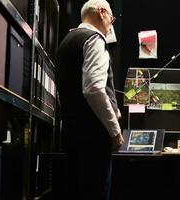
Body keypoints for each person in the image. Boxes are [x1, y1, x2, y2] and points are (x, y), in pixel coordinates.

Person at [56, 0, 124, 199]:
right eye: (111, 18)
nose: (111, 23)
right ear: (102, 12)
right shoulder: (94, 39)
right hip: (93, 137)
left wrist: (113, 108)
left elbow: (70, 90)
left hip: (71, 133)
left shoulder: (67, 41)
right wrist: (114, 130)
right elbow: (93, 89)